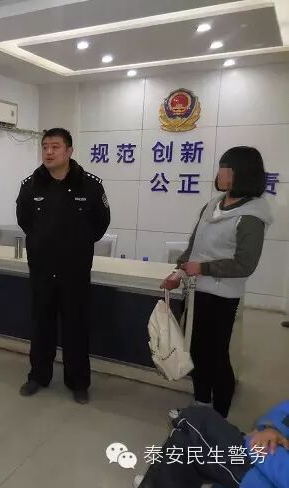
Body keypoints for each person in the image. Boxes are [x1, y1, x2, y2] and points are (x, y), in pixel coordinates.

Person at [162, 146, 272, 418]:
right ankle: (201, 404)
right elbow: (194, 247)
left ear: (241, 173)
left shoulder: (252, 216)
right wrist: (178, 273)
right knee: (197, 351)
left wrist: (203, 267)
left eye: (225, 167)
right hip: (197, 291)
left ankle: (219, 416)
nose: (220, 173)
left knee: (217, 355)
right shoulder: (212, 206)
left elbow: (245, 264)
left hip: (223, 297)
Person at [16, 128, 110, 404]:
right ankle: (38, 376)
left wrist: (75, 246)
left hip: (75, 271)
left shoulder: (90, 185)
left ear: (69, 151)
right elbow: (25, 221)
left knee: (76, 327)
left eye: (55, 147)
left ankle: (78, 382)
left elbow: (100, 223)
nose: (48, 152)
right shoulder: (30, 185)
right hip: (42, 270)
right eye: (45, 146)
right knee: (41, 325)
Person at [133, 401, 289, 488]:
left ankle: (161, 481)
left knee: (195, 424)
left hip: (266, 470)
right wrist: (273, 429)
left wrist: (259, 446)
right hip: (270, 463)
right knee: (192, 440)